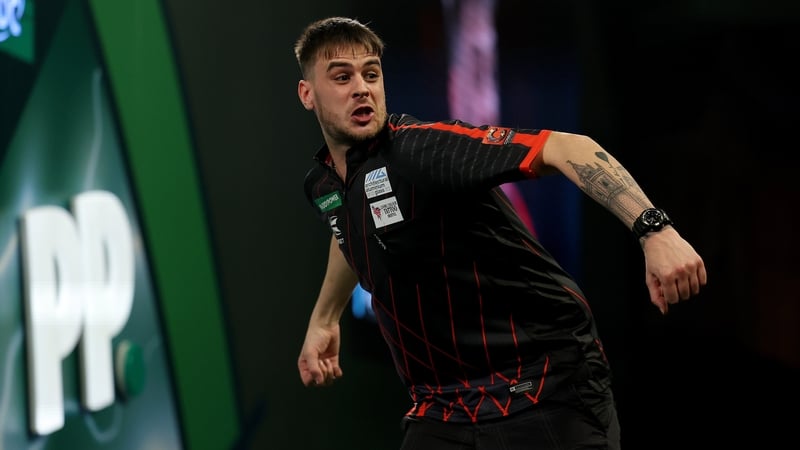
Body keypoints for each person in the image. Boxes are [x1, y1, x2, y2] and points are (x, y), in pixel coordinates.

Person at [294, 16, 706, 450]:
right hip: (442, 406)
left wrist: (654, 230)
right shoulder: (325, 185)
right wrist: (324, 318)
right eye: (342, 77)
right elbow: (353, 226)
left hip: (543, 386)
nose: (362, 88)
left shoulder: (422, 151)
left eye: (371, 74)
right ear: (307, 94)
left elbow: (571, 148)